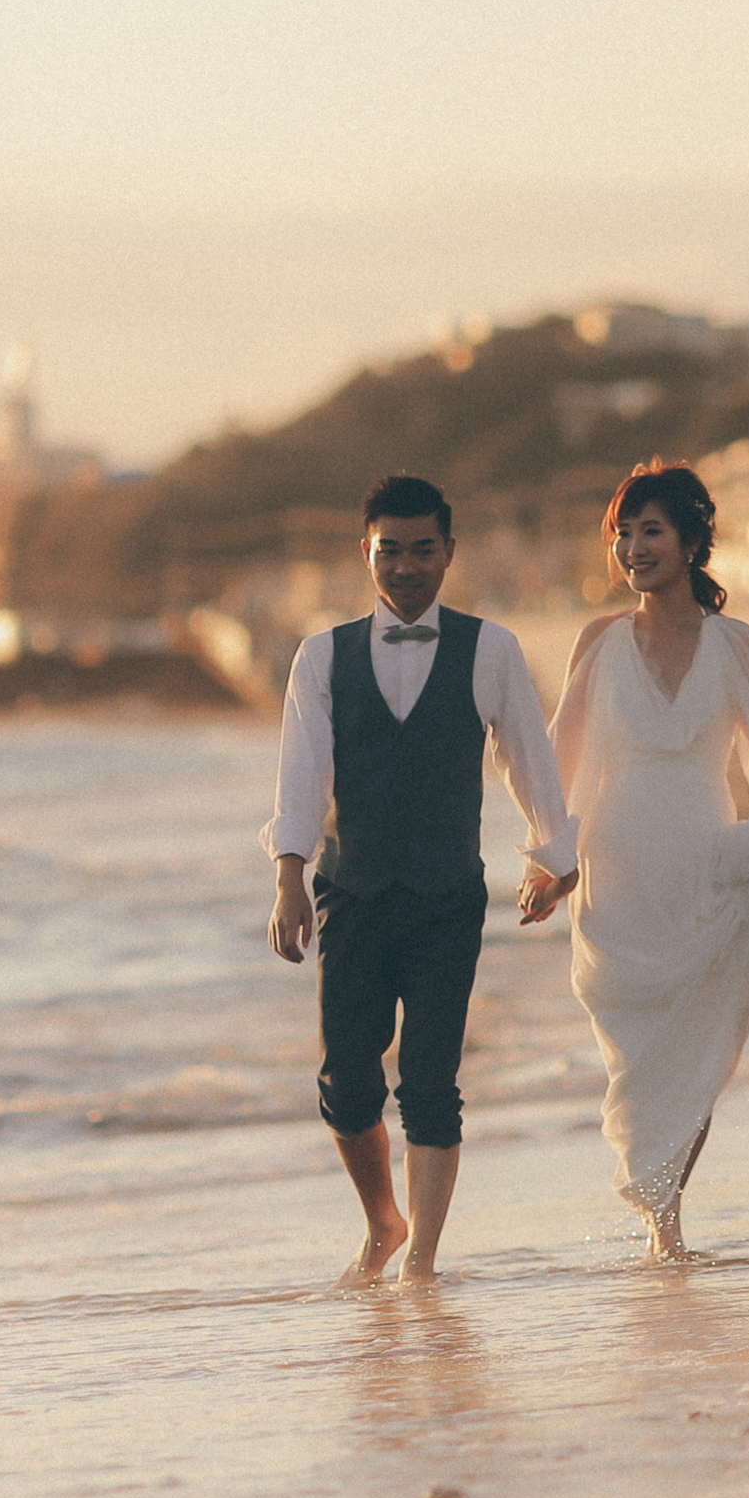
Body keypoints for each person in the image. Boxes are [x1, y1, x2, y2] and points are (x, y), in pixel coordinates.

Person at [264, 475, 577, 1286]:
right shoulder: (320, 655)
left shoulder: (492, 649)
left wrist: (556, 855)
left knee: (432, 1079)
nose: (406, 567)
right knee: (345, 1081)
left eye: (422, 551)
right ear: (366, 553)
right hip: (351, 890)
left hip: (446, 897)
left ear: (448, 554)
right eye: (389, 551)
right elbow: (302, 774)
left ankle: (424, 1264)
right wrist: (288, 879)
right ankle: (383, 1224)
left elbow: (525, 760)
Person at [554, 463, 749, 1261]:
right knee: (636, 1053)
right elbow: (563, 760)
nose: (633, 547)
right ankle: (661, 1215)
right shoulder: (600, 641)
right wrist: (550, 857)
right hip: (617, 869)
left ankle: (666, 1220)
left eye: (650, 530)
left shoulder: (734, 644)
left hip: (704, 862)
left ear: (690, 541)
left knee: (702, 1045)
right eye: (623, 534)